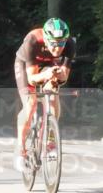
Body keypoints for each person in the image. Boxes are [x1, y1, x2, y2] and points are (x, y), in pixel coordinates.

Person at [14, 18, 76, 171]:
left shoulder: (70, 45)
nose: (58, 48)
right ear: (46, 39)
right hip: (26, 66)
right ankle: (21, 151)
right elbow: (32, 79)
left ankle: (50, 140)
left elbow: (64, 78)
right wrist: (46, 74)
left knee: (53, 95)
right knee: (31, 105)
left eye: (61, 43)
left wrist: (58, 75)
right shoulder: (32, 40)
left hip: (48, 66)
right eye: (54, 43)